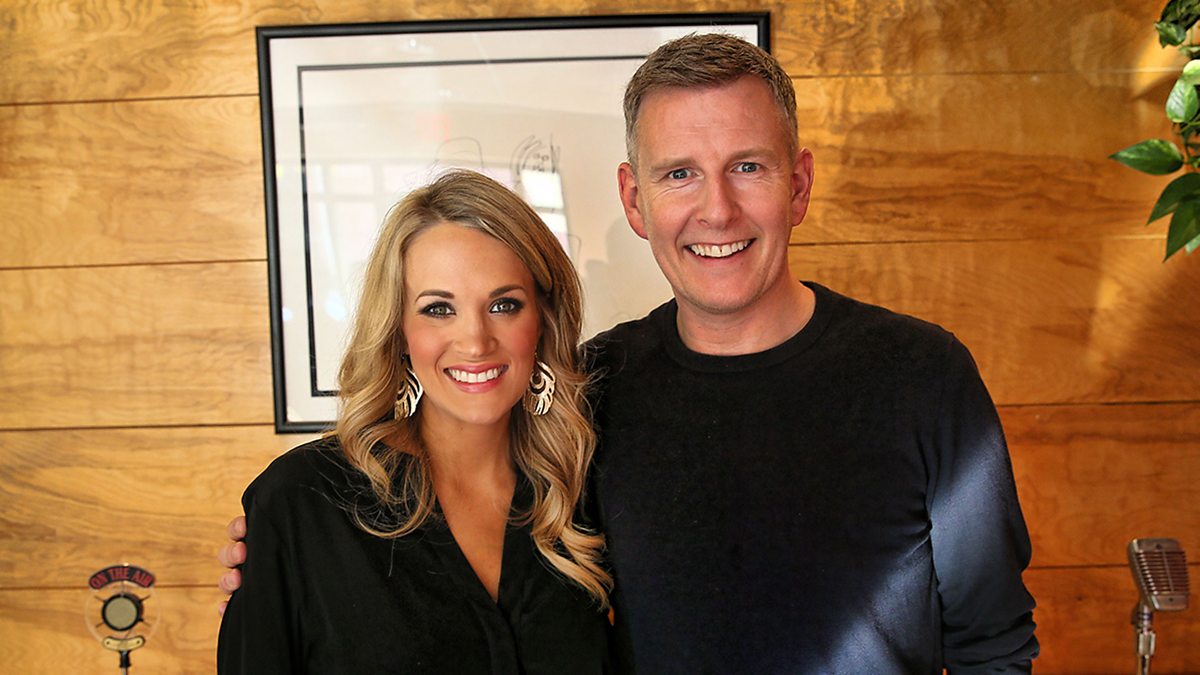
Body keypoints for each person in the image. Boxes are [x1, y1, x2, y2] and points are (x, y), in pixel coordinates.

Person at [223, 33, 1038, 673]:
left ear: (797, 184)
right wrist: (285, 551)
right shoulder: (597, 393)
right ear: (634, 198)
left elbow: (993, 644)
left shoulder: (922, 376)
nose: (716, 210)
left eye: (747, 166)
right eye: (679, 173)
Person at [216, 170, 619, 673]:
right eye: (438, 309)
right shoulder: (302, 502)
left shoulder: (587, 491)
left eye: (504, 305)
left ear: (542, 320)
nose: (475, 342)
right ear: (399, 332)